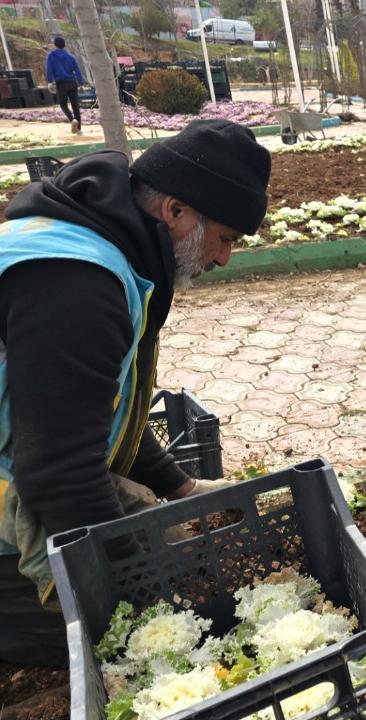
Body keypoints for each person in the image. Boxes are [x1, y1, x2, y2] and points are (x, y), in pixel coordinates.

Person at [0, 120, 271, 671]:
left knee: (162, 540)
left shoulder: (102, 243)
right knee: (111, 638)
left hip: (29, 463)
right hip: (26, 480)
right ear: (174, 212)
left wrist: (180, 485)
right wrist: (135, 590)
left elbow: (96, 410)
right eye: (224, 238)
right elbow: (60, 471)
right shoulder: (76, 286)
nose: (225, 260)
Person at [45, 36, 83, 134]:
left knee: (63, 104)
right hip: (72, 82)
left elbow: (49, 69)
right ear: (64, 45)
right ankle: (78, 130)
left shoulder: (51, 55)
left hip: (61, 83)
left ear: (55, 45)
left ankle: (72, 120)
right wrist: (81, 83)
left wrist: (49, 81)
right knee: (75, 106)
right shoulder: (70, 56)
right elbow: (77, 70)